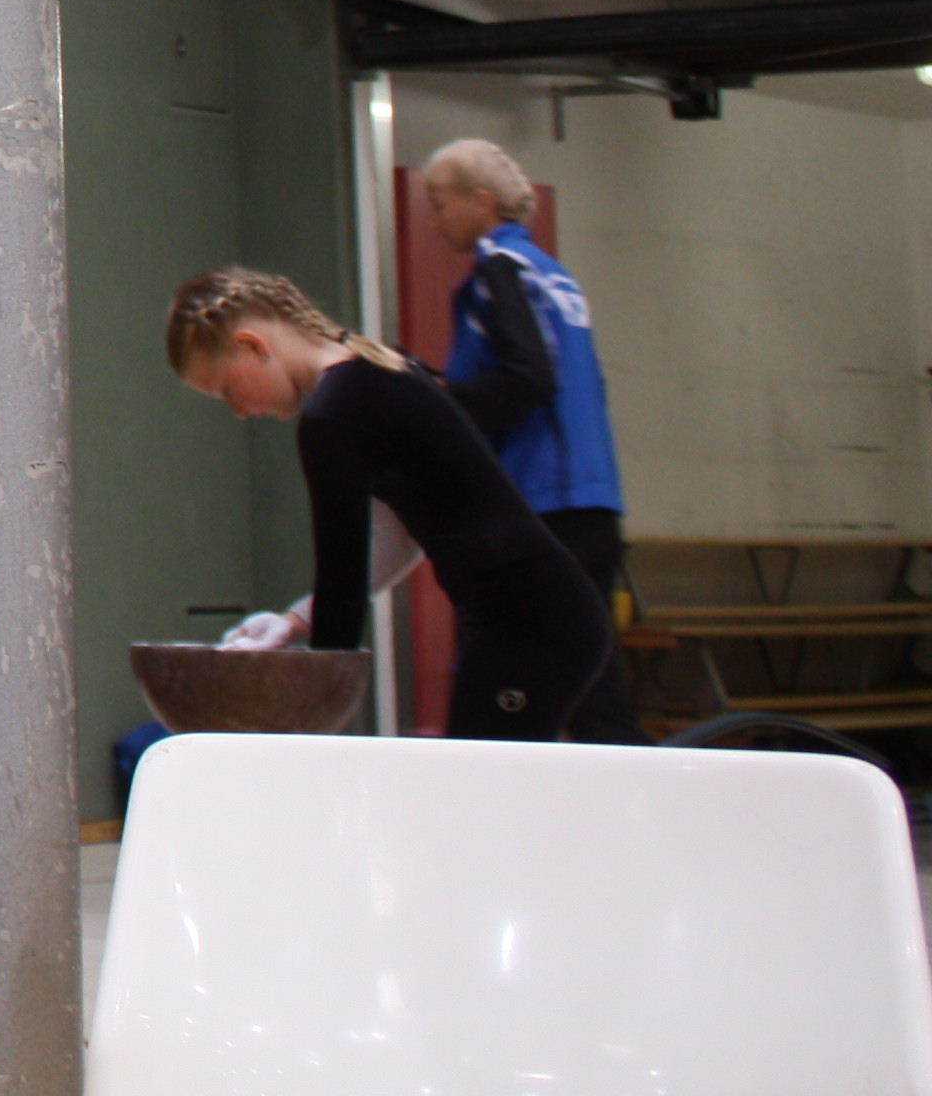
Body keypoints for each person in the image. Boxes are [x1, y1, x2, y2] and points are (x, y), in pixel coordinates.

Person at [165, 267, 619, 743]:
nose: (239, 412)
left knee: (481, 781)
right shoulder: (373, 376)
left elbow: (342, 580)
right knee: (486, 778)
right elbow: (397, 541)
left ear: (254, 345)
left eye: (227, 390)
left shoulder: (335, 413)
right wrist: (293, 621)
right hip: (544, 614)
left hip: (529, 622)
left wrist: (315, 719)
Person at [421, 141, 644, 744]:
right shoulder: (555, 274)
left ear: (482, 201)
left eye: (440, 205)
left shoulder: (498, 270)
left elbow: (529, 376)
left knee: (499, 686)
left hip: (544, 508)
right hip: (592, 502)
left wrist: (438, 405)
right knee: (593, 690)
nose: (434, 221)